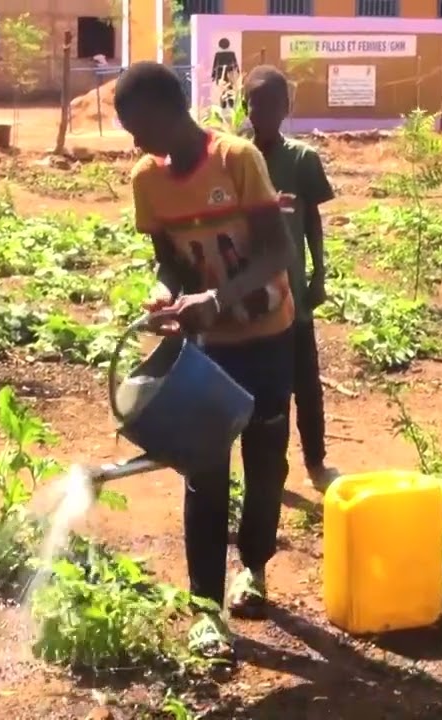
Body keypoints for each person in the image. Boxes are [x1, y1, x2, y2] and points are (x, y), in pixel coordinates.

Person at [113, 61, 296, 659]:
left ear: (170, 112)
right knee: (203, 470)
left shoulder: (237, 159)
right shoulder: (148, 179)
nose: (135, 143)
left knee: (266, 462)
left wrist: (218, 298)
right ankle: (206, 610)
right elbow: (169, 258)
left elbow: (275, 252)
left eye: (138, 128)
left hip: (266, 335)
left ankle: (256, 567)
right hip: (208, 350)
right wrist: (169, 293)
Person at [243, 65, 339, 491]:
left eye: (270, 103)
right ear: (246, 107)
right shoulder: (237, 160)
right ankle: (270, 471)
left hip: (294, 296)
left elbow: (313, 221)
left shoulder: (302, 160)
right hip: (250, 302)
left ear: (287, 107)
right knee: (267, 392)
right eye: (254, 102)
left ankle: (316, 462)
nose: (261, 111)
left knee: (306, 385)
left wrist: (319, 274)